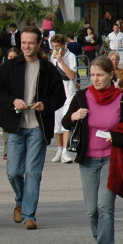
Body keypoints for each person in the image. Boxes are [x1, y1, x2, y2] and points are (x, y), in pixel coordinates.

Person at [62, 55, 123, 244]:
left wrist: (117, 137)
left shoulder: (122, 98)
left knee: (105, 205)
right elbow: (66, 122)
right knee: (91, 209)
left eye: (99, 75)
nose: (95, 79)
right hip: (88, 159)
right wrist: (74, 116)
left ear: (111, 75)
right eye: (92, 75)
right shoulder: (81, 97)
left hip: (112, 158)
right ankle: (100, 239)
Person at [0, 26, 66, 229]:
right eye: (23, 43)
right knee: (13, 172)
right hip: (15, 126)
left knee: (33, 172)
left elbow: (60, 97)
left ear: (39, 43)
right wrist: (13, 101)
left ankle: (29, 215)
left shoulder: (48, 69)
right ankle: (20, 200)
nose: (26, 46)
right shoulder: (9, 66)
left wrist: (46, 105)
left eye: (30, 43)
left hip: (38, 127)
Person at [49, 34, 78, 164]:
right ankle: (59, 150)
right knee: (57, 125)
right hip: (57, 94)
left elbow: (71, 75)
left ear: (63, 46)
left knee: (66, 122)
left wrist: (61, 61)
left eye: (57, 46)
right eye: (53, 46)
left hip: (69, 93)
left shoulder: (70, 57)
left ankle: (66, 151)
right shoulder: (52, 57)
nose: (55, 49)